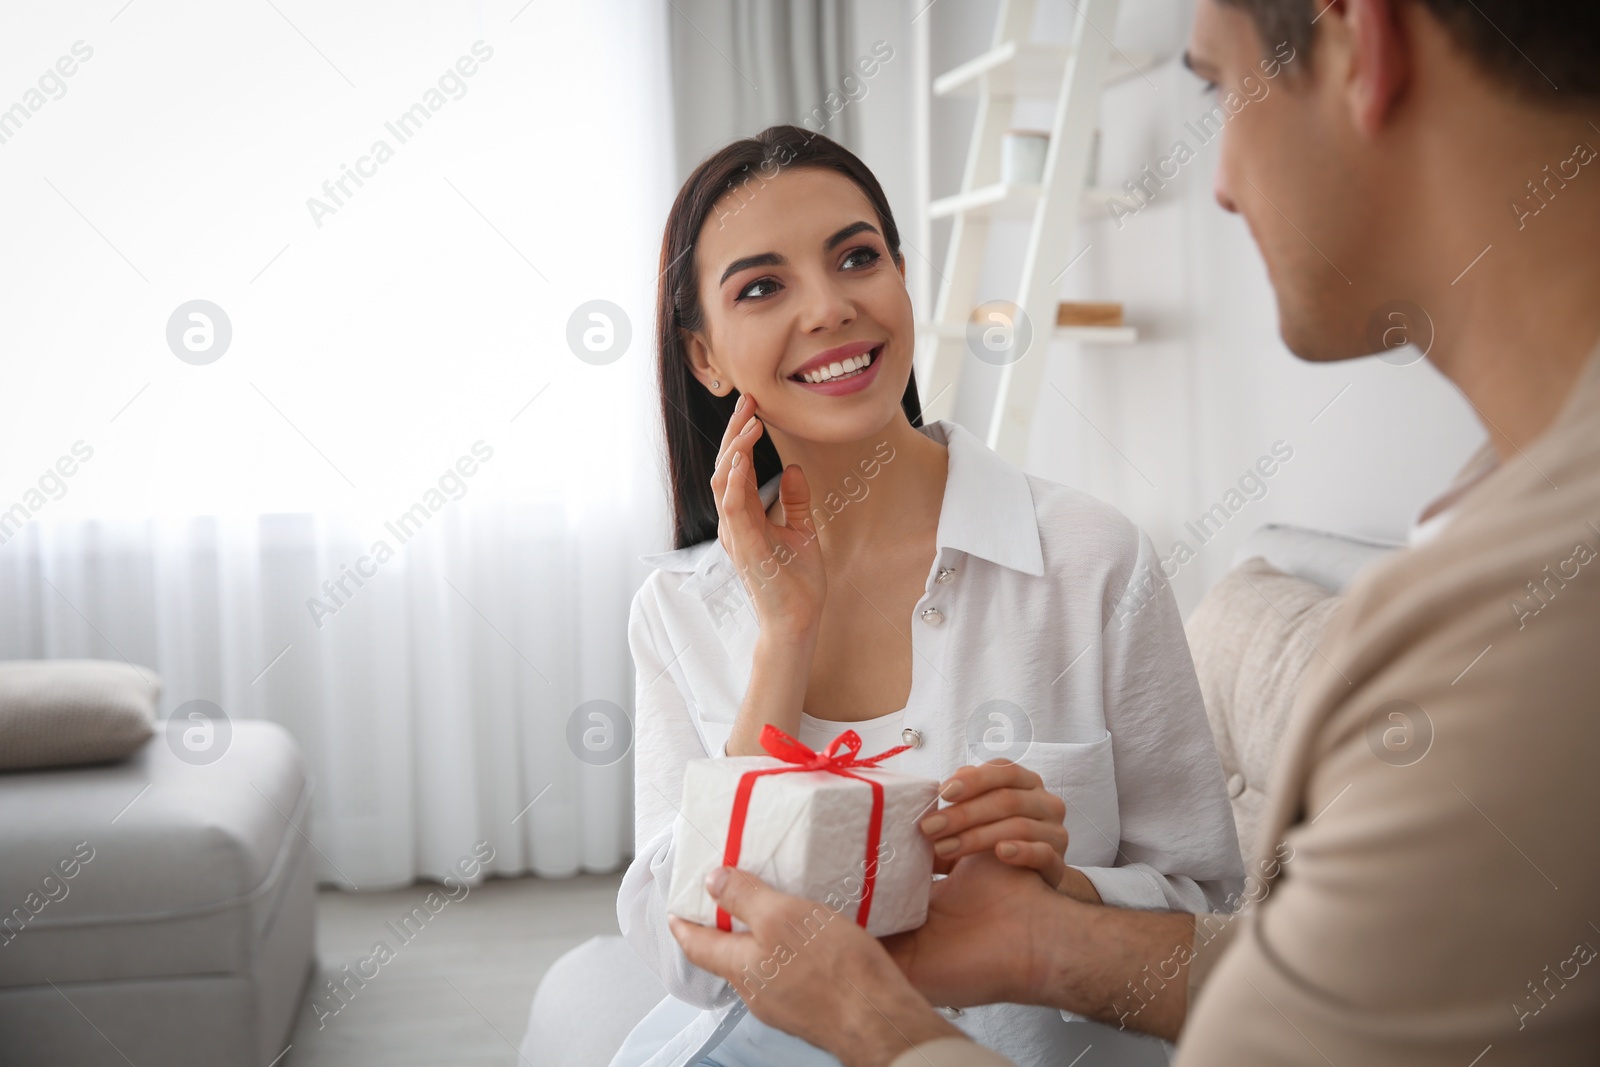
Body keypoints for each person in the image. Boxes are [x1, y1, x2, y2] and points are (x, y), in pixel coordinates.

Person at [670, 0, 1600, 1064]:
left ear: (1360, 42)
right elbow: (1328, 986)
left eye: (1215, 87)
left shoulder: (1511, 619)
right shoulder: (1490, 537)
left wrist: (886, 1021)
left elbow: (1261, 984)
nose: (1217, 180)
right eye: (761, 285)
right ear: (704, 354)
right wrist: (1042, 936)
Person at [613, 127, 1246, 1066]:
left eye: (857, 258)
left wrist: (1065, 893)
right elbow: (698, 956)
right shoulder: (678, 612)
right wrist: (783, 639)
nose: (830, 308)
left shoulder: (1089, 558)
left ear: (902, 279)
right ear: (705, 358)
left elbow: (1209, 906)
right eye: (762, 286)